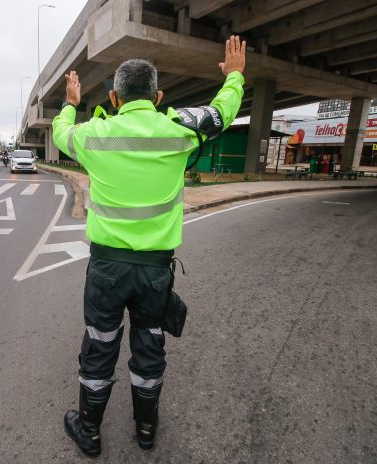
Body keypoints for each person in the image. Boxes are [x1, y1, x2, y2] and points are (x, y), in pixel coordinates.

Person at [51, 35, 246, 457]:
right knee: (149, 343)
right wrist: (234, 76)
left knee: (100, 346)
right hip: (156, 271)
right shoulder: (178, 131)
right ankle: (145, 430)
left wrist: (70, 100)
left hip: (105, 270)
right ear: (157, 96)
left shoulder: (93, 135)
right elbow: (221, 113)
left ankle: (90, 431)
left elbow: (60, 131)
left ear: (114, 97)